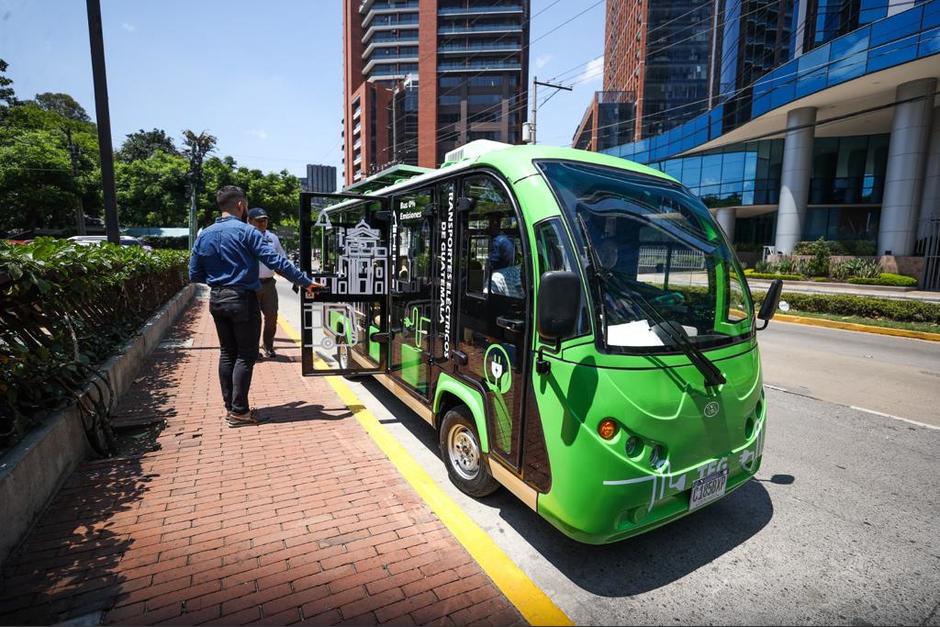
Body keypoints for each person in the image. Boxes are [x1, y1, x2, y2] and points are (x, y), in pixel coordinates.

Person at [189, 186, 321, 427]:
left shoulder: (204, 234)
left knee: (227, 353)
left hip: (217, 299)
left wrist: (220, 279)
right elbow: (276, 261)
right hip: (242, 299)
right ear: (240, 205)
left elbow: (194, 273)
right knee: (246, 356)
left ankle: (231, 407)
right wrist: (306, 282)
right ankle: (240, 412)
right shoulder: (248, 232)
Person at [247, 207, 285, 359]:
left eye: (265, 220)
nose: (263, 223)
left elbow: (281, 259)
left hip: (269, 284)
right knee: (253, 320)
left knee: (271, 317)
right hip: (251, 284)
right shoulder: (245, 237)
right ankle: (253, 349)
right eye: (259, 220)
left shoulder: (273, 238)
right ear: (250, 221)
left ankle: (268, 346)